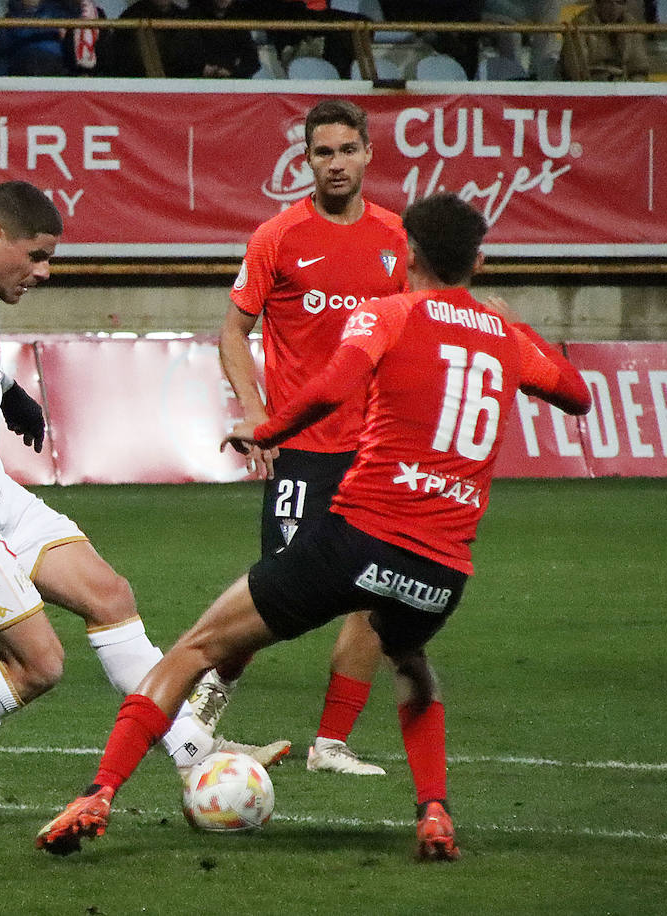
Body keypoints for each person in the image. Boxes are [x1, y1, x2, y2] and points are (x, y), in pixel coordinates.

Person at [36, 191, 593, 859]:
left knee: (196, 648)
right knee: (410, 660)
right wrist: (518, 327)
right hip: (442, 567)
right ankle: (435, 812)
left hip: (356, 539)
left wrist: (262, 429)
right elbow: (576, 394)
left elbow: (333, 388)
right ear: (479, 259)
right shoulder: (503, 337)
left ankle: (97, 794)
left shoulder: (386, 314)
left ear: (408, 252)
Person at [0, 181, 289, 832]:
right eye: (38, 256)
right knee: (39, 665)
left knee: (110, 595)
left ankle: (195, 753)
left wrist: (7, 391)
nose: (44, 273)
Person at [190, 99, 409, 778]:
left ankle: (331, 744)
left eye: (347, 150)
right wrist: (259, 418)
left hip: (375, 453)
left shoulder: (398, 239)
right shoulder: (278, 238)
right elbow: (232, 331)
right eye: (322, 152)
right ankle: (203, 704)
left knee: (379, 592)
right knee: (275, 599)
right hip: (306, 454)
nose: (336, 163)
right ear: (305, 159)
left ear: (369, 153)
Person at [571, 0, 649, 81]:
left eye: (619, 2)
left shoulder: (631, 25)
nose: (614, 7)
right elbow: (575, 68)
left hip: (624, 85)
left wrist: (632, 87)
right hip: (591, 84)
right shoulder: (580, 24)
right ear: (598, 3)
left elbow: (640, 68)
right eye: (609, 2)